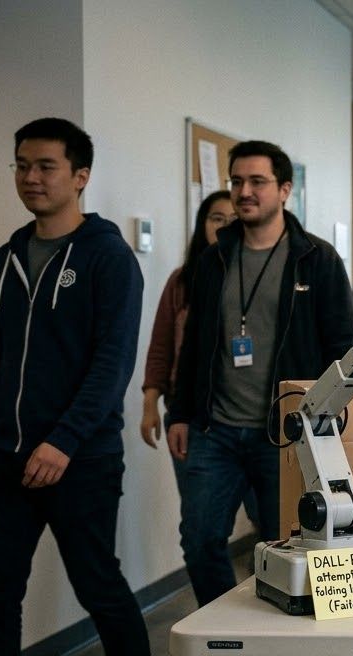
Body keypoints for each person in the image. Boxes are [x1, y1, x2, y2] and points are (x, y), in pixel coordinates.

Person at [0, 117, 160, 656]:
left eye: (46, 166)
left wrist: (64, 441)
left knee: (96, 583)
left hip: (81, 459)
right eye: (22, 165)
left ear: (80, 176)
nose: (31, 177)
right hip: (4, 459)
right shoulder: (5, 259)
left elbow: (112, 363)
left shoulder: (108, 259)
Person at [167, 140, 353, 656]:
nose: (244, 192)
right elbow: (194, 345)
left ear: (284, 190)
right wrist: (179, 412)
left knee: (283, 548)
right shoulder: (213, 259)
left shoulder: (316, 260)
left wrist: (329, 418)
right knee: (201, 539)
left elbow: (341, 347)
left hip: (285, 434)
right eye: (236, 182)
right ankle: (228, 649)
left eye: (257, 182)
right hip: (215, 429)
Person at [140, 191, 260, 526]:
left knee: (267, 519)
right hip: (193, 417)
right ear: (202, 224)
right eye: (216, 218)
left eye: (233, 219)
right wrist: (150, 404)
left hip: (254, 417)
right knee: (201, 526)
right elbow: (161, 347)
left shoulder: (258, 277)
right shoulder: (182, 280)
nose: (224, 226)